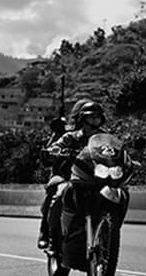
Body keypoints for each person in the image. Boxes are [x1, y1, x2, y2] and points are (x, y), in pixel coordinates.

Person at [37, 99, 105, 249]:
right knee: (57, 192)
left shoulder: (104, 138)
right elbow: (56, 146)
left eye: (97, 117)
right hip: (68, 177)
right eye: (91, 117)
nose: (95, 120)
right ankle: (46, 231)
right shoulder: (70, 137)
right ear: (83, 119)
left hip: (95, 178)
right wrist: (54, 151)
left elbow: (116, 149)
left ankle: (108, 233)